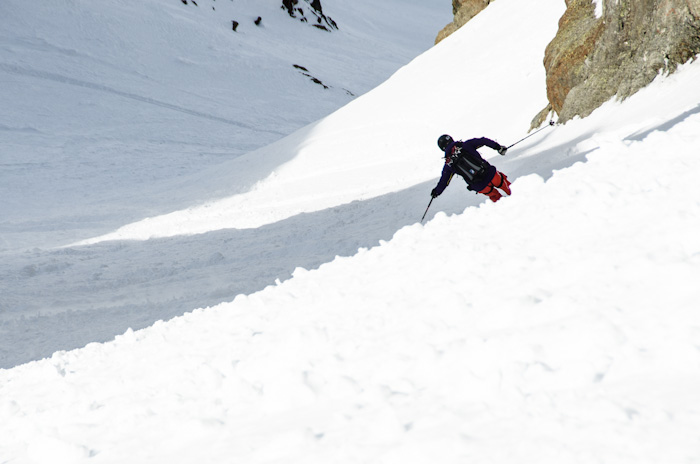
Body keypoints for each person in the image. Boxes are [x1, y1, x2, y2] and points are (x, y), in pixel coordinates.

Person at [430, 134, 512, 203]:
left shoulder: (449, 164)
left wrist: (436, 192)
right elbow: (483, 141)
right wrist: (498, 147)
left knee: (497, 199)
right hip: (490, 174)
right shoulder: (465, 145)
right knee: (511, 189)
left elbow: (444, 181)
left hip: (480, 186)